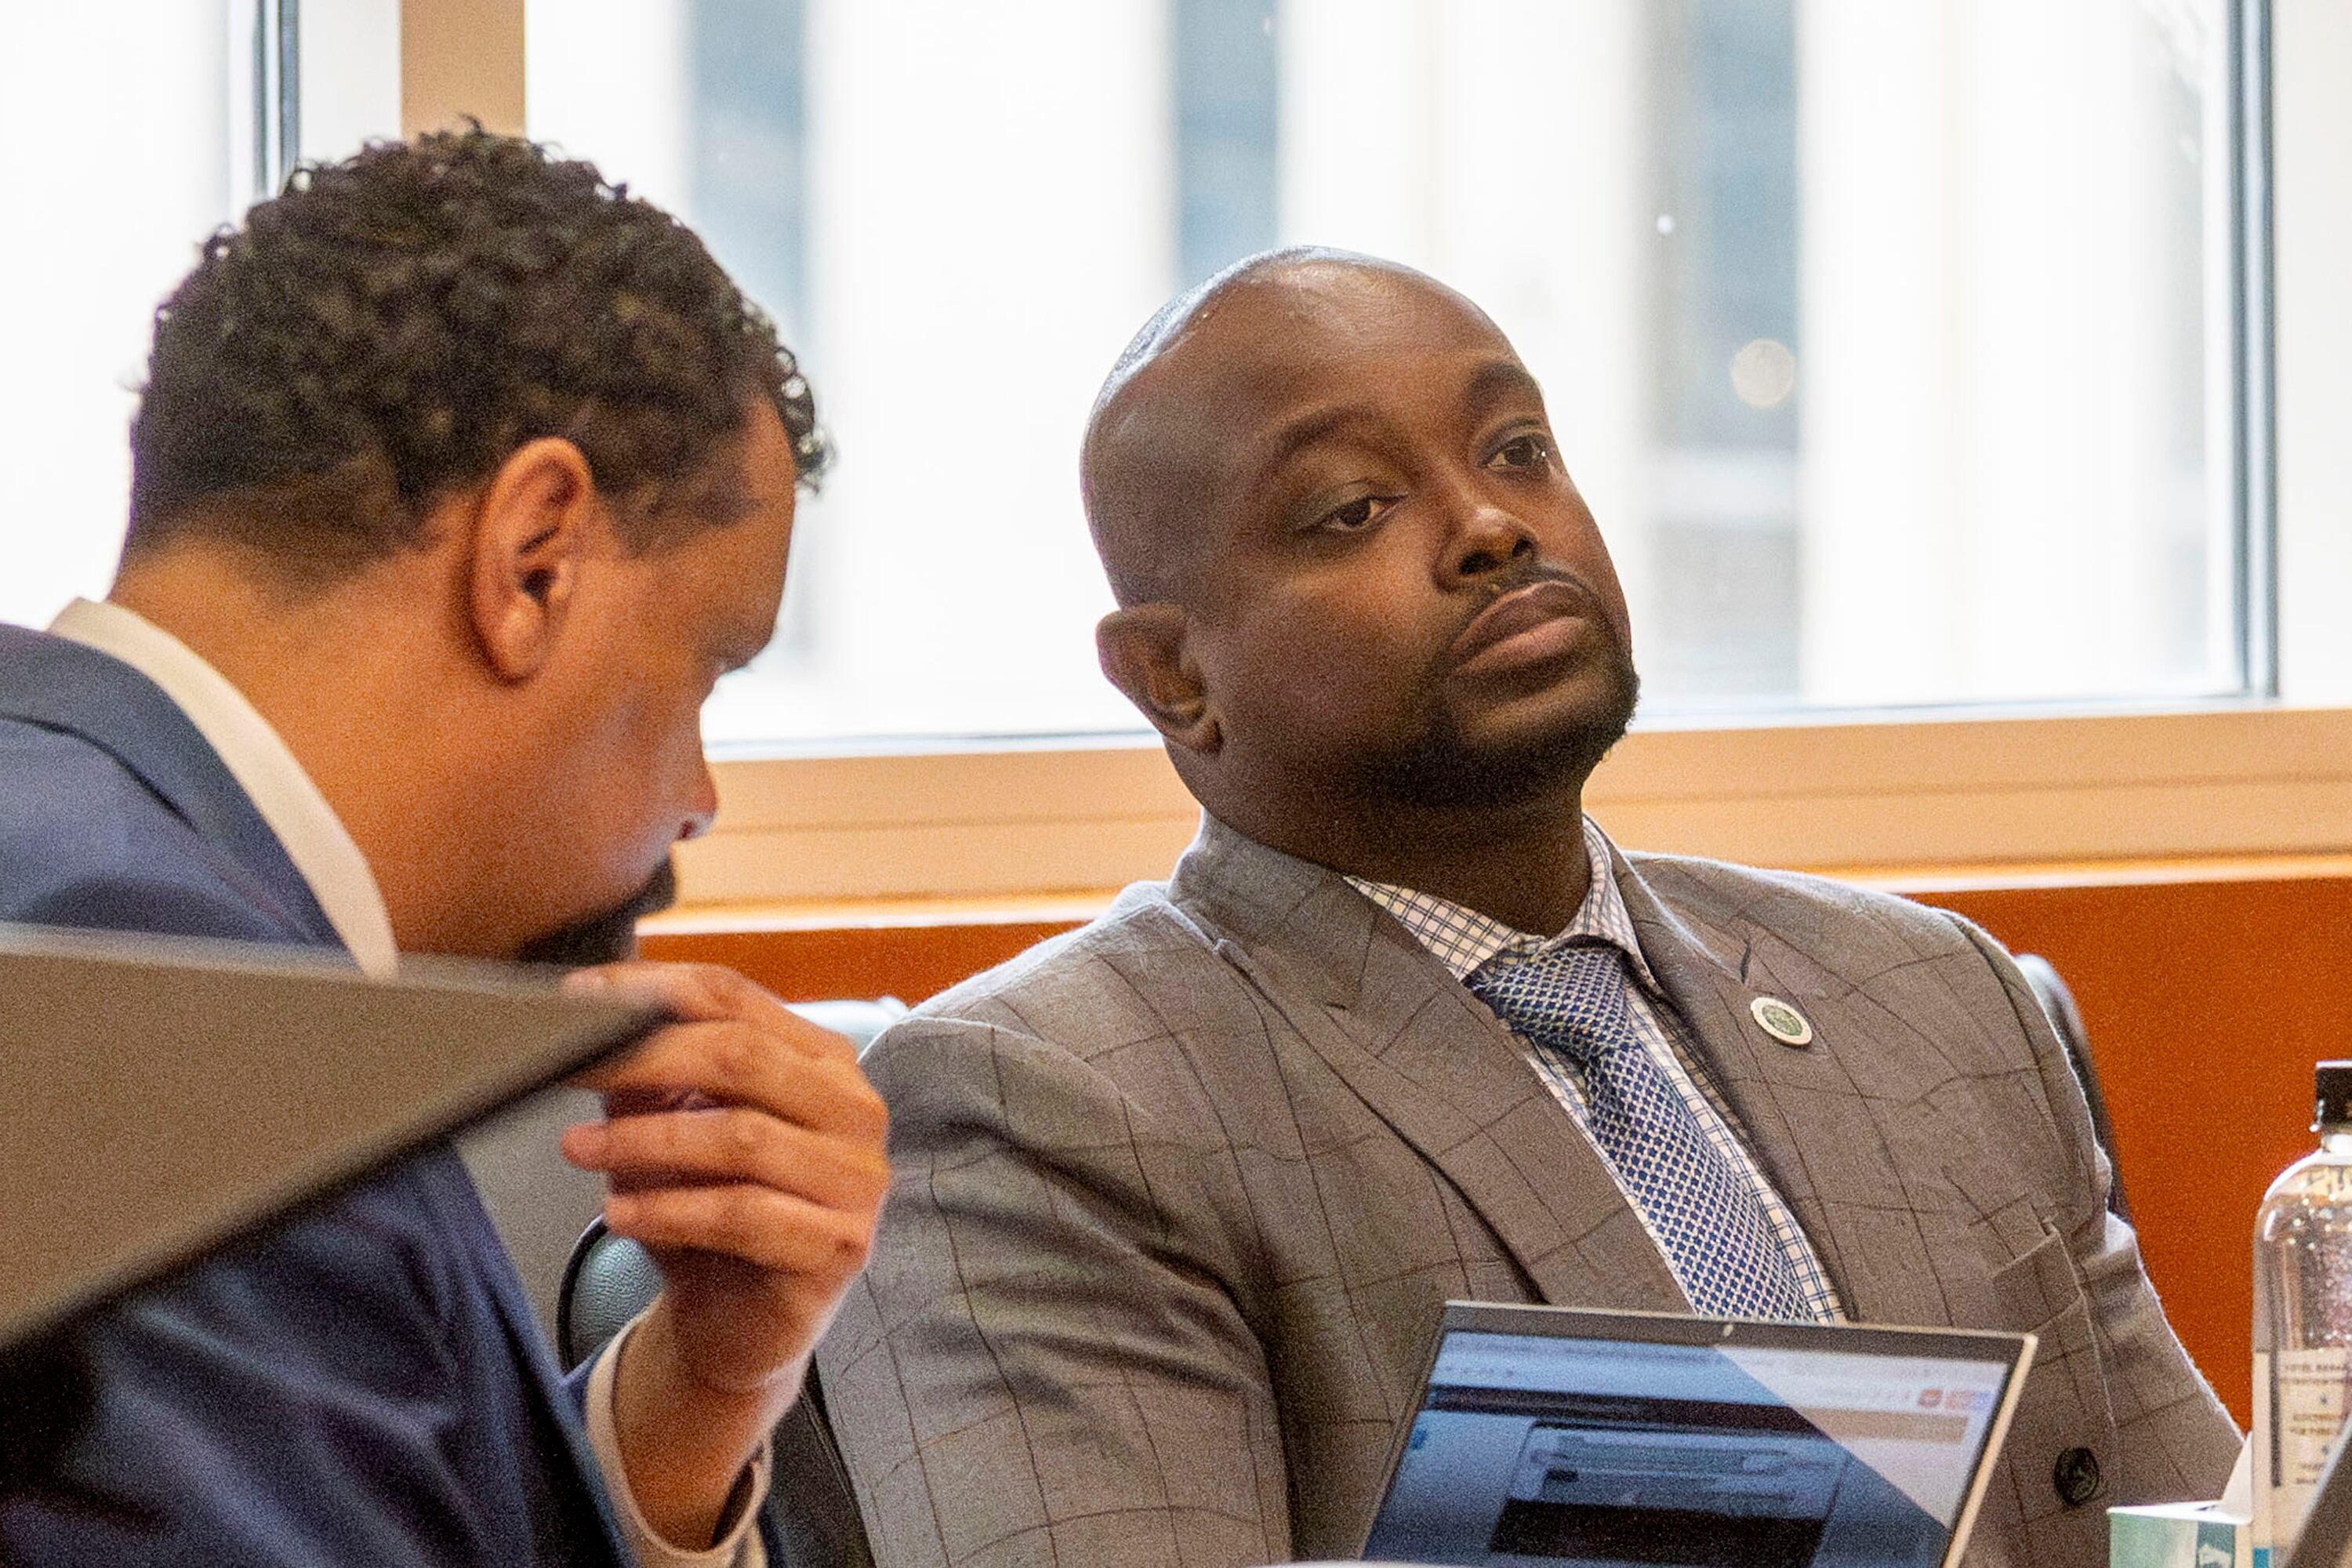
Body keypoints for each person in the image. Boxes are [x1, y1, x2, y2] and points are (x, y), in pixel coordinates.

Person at [814, 249, 2239, 1568]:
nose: (1492, 527)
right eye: (1353, 508)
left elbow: (2222, 1534)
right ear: (1172, 677)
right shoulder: (1037, 1113)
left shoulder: (1929, 994)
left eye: (1517, 451)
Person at [0, 130, 888, 1566]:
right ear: (535, 559)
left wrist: (698, 1402)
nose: (701, 798)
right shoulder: (180, 1005)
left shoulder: (122, 876)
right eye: (707, 669)